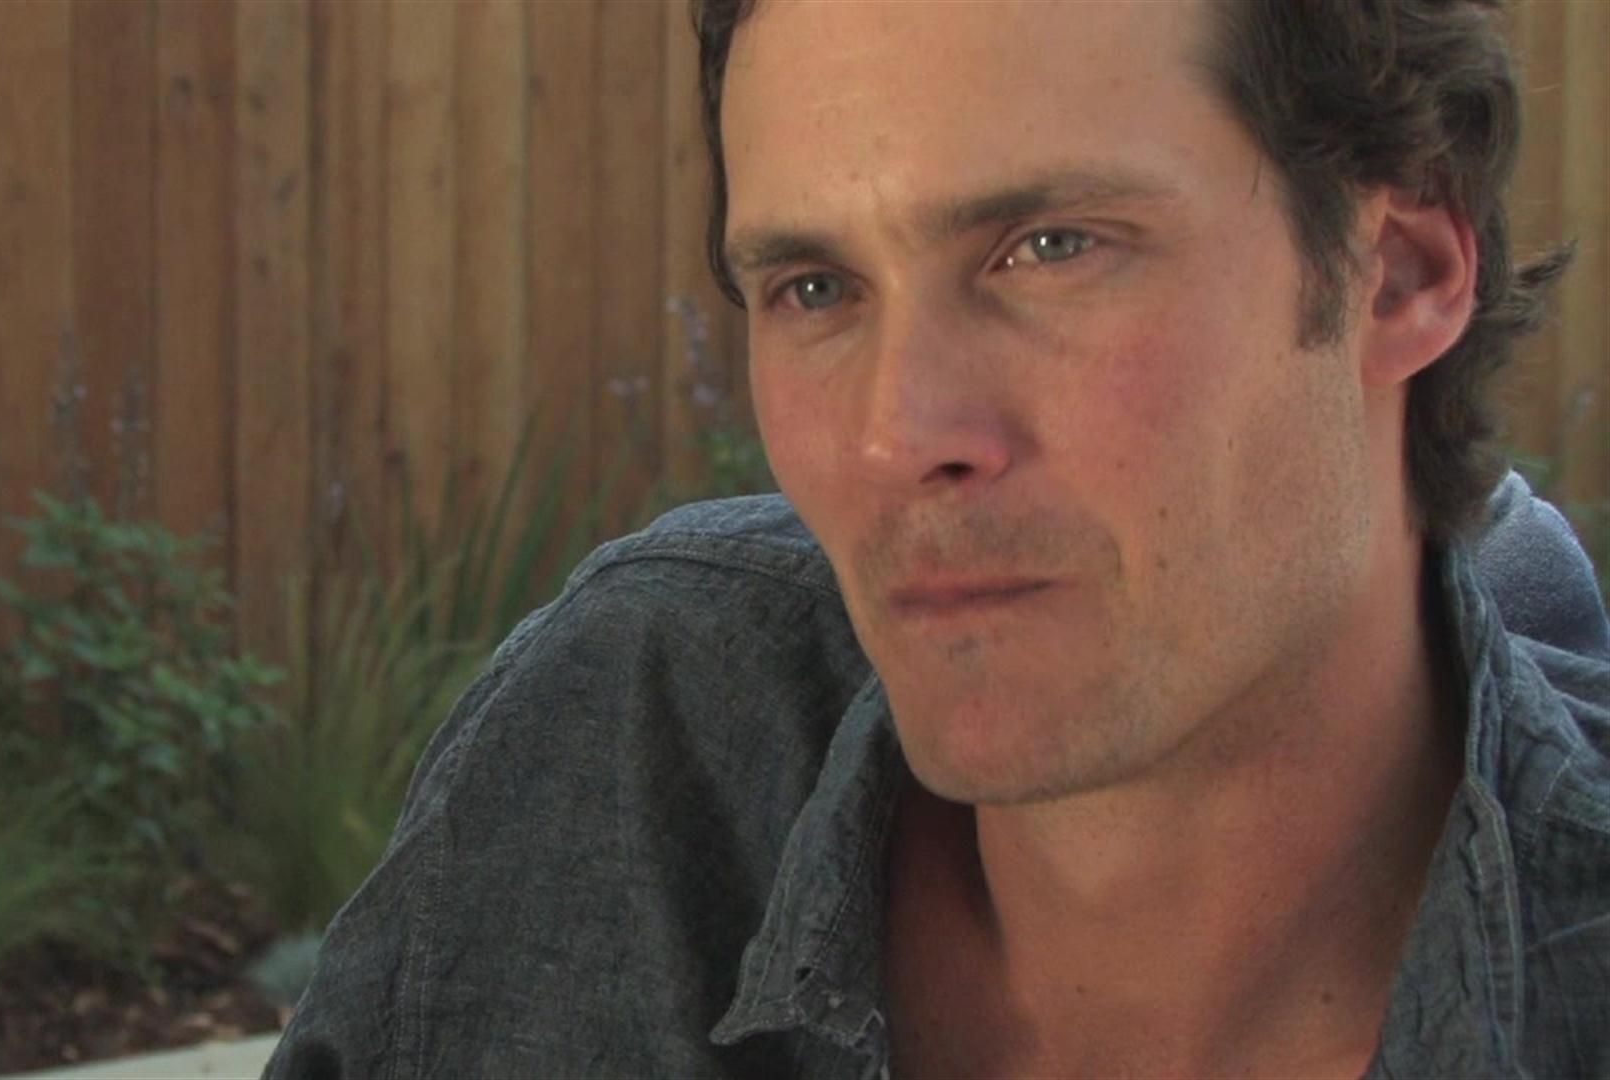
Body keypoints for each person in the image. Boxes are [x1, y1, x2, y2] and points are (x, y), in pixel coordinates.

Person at [265, 0, 1610, 1075]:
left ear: (1404, 273)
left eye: (1052, 247)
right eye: (816, 289)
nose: (894, 437)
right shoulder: (631, 747)